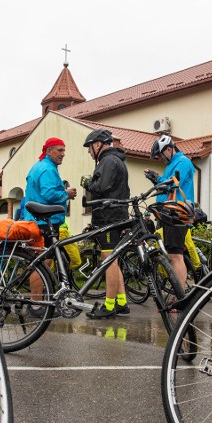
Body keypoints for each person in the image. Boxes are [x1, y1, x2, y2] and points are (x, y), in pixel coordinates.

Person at [22, 137, 77, 317]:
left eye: (64, 150)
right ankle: (36, 306)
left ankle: (40, 302)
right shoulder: (46, 169)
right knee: (42, 264)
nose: (63, 154)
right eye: (59, 150)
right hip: (43, 222)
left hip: (39, 221)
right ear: (49, 151)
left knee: (43, 262)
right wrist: (66, 194)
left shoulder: (41, 166)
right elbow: (48, 193)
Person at [81, 128, 130, 318]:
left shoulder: (107, 161)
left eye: (89, 147)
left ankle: (109, 307)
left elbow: (101, 187)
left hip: (109, 217)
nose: (88, 151)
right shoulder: (116, 160)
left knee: (109, 260)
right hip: (116, 215)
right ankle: (121, 302)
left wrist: (87, 184)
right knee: (112, 260)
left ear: (97, 144)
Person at [144, 135, 195, 292]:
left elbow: (173, 182)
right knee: (173, 255)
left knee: (176, 256)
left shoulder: (183, 162)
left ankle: (180, 295)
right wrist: (156, 180)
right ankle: (179, 292)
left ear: (169, 149)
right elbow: (165, 187)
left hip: (178, 213)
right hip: (169, 214)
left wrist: (157, 177)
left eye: (159, 155)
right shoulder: (172, 164)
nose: (159, 159)